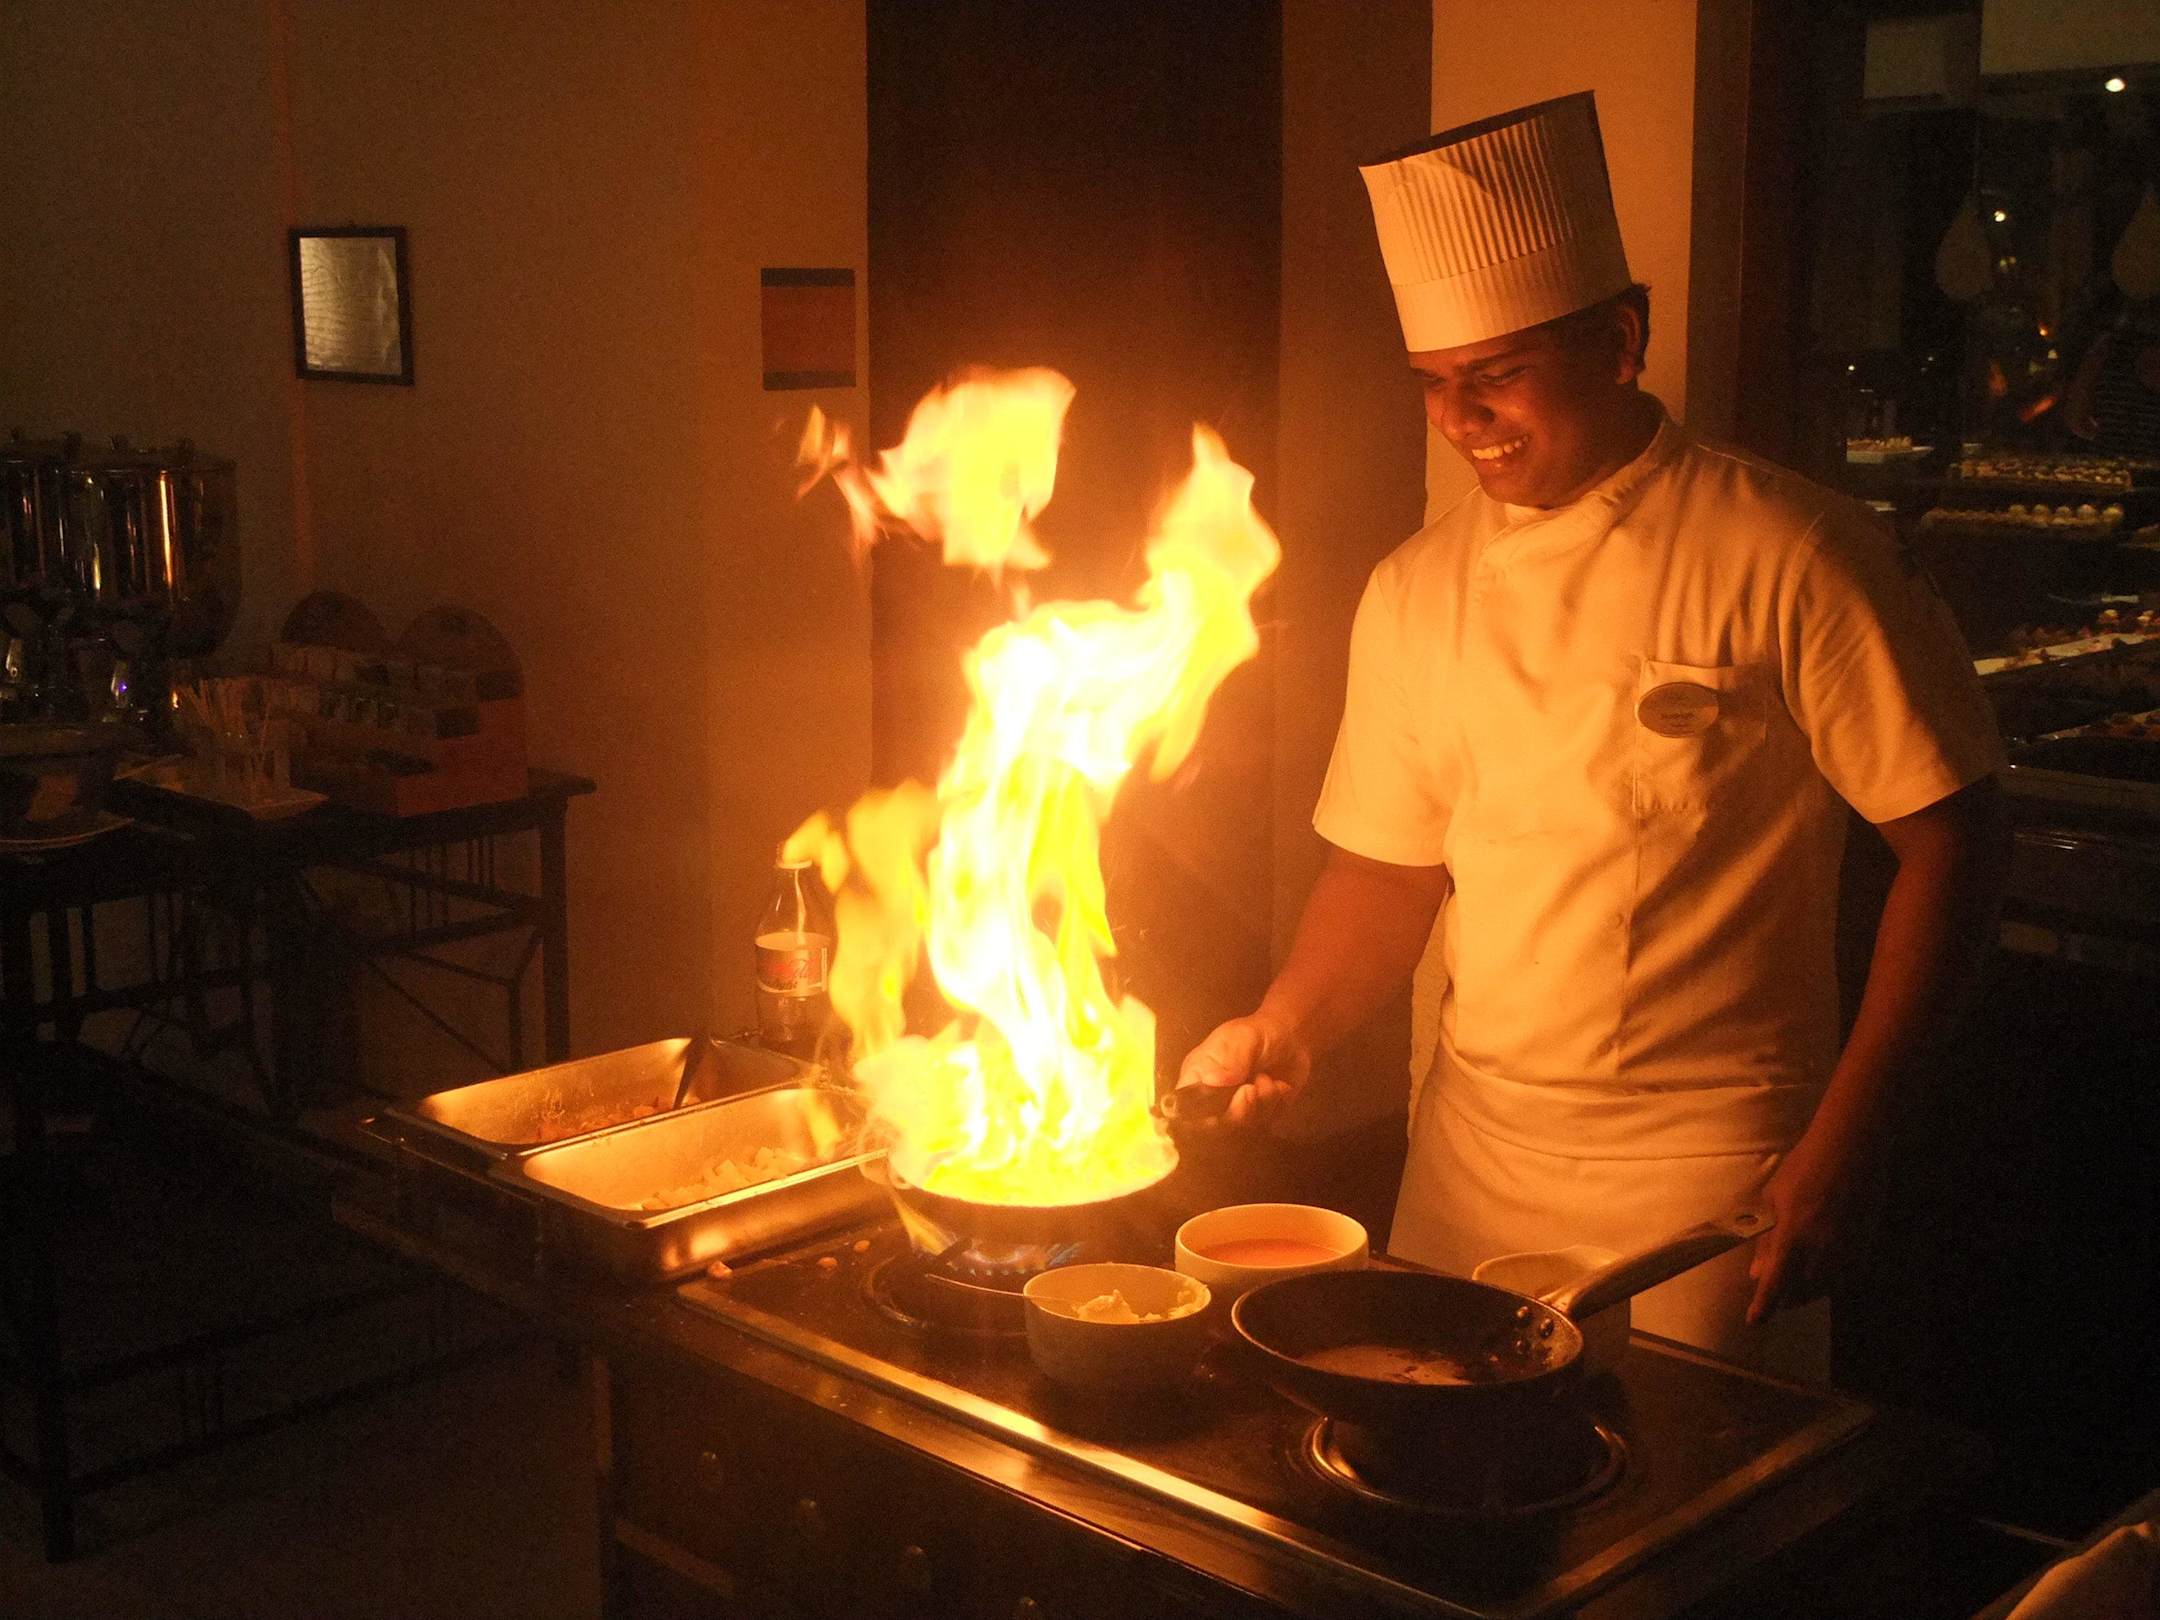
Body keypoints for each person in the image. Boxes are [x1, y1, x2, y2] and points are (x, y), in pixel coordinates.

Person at [1176, 92, 2008, 1378]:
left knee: (1683, 1488)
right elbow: (1389, 869)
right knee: (1440, 1471)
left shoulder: (1791, 551)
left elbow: (1954, 845)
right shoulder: (1414, 588)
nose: (1460, 418)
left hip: (1710, 1179)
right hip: (1469, 1164)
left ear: (1620, 342)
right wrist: (1287, 1026)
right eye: (1435, 384)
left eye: (1497, 374)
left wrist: (1850, 1142)